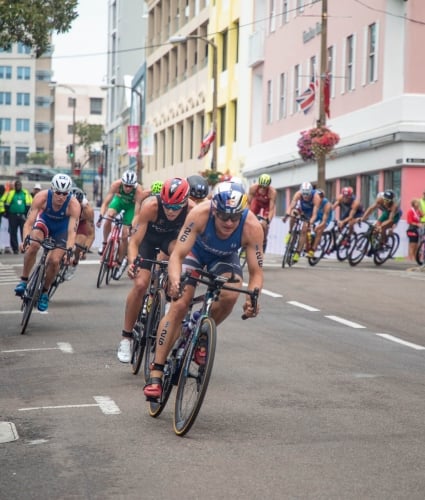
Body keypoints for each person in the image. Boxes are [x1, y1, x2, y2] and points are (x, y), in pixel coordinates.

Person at [143, 180, 264, 400]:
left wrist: (254, 298)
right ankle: (156, 372)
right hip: (194, 252)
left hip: (225, 258)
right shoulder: (200, 213)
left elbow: (256, 273)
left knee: (231, 293)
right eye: (224, 216)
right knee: (179, 303)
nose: (229, 222)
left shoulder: (252, 227)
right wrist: (174, 280)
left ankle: (201, 335)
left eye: (234, 217)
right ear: (214, 210)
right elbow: (177, 255)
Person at [117, 177, 195, 363]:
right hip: (148, 240)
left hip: (172, 242)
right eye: (167, 206)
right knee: (141, 284)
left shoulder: (192, 210)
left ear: (184, 202)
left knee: (177, 258)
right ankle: (126, 338)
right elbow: (134, 242)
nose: (170, 211)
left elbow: (191, 244)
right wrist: (132, 263)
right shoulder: (151, 206)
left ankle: (168, 300)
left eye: (176, 207)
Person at [14, 174, 80, 312]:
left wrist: (69, 251)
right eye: (58, 193)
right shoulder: (41, 197)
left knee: (55, 261)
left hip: (61, 230)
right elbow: (29, 222)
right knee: (33, 246)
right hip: (44, 223)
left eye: (65, 193)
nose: (61, 197)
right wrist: (26, 239)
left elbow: (72, 232)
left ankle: (44, 291)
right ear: (52, 190)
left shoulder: (73, 205)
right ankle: (24, 280)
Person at [96, 170, 145, 268]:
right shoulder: (116, 185)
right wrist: (101, 216)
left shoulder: (139, 191)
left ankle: (120, 260)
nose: (127, 188)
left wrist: (132, 225)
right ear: (122, 183)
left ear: (134, 185)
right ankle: (105, 243)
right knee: (109, 216)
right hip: (119, 201)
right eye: (125, 185)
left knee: (124, 235)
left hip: (131, 207)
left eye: (130, 186)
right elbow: (105, 203)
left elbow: (137, 214)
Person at [283, 182, 321, 261]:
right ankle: (290, 232)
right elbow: (291, 206)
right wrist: (287, 215)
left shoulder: (316, 197)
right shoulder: (298, 194)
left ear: (311, 192)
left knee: (304, 229)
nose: (306, 197)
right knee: (293, 214)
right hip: (301, 209)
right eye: (304, 194)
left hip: (310, 212)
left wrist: (310, 223)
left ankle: (297, 252)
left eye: (307, 195)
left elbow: (314, 215)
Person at [63, 187, 95, 280]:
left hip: (81, 223)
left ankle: (75, 262)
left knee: (79, 245)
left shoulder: (87, 210)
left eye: (78, 205)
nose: (75, 207)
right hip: (66, 221)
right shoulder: (64, 204)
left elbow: (91, 235)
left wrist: (85, 250)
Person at [248, 174, 277, 251]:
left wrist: (267, 220)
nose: (263, 189)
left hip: (267, 206)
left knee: (264, 224)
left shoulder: (272, 192)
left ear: (268, 186)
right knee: (248, 218)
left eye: (265, 187)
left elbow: (271, 209)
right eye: (261, 186)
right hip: (257, 203)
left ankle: (264, 240)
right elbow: (248, 202)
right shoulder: (253, 188)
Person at [4, 180, 32, 254]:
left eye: (19, 185)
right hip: (12, 215)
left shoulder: (25, 193)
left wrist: (26, 214)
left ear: (21, 186)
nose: (18, 186)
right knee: (13, 232)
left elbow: (29, 204)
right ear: (15, 186)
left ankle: (24, 247)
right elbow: (6, 203)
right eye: (17, 185)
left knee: (24, 232)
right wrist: (7, 213)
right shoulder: (11, 193)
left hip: (22, 215)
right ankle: (15, 248)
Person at [310, 189, 334, 255]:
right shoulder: (314, 200)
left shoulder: (327, 204)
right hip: (318, 214)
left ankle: (313, 250)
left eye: (319, 198)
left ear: (322, 197)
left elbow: (323, 221)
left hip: (326, 217)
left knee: (319, 231)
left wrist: (318, 227)